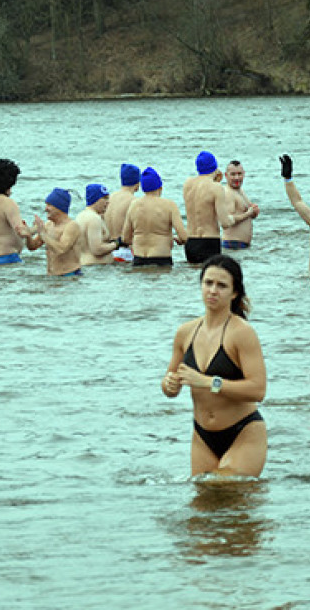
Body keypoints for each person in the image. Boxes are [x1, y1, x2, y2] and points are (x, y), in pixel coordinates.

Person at [162, 254, 266, 477]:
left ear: (234, 292)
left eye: (221, 285)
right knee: (203, 506)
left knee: (222, 488)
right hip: (202, 436)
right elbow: (170, 383)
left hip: (243, 431)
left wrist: (210, 382)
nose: (213, 290)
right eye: (208, 283)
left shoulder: (242, 333)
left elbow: (258, 390)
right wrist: (169, 384)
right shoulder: (185, 332)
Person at [122, 167, 187, 267]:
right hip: (161, 258)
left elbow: (125, 238)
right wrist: (180, 240)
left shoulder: (133, 206)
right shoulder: (169, 205)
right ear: (160, 187)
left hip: (139, 258)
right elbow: (183, 236)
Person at [183, 151, 234, 264]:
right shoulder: (216, 187)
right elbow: (225, 223)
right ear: (215, 167)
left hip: (190, 241)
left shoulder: (188, 184)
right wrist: (234, 218)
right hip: (209, 241)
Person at [30, 188, 83, 277]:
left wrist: (43, 233)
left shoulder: (71, 226)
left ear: (59, 207)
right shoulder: (48, 225)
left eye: (49, 205)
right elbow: (32, 246)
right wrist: (26, 235)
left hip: (70, 276)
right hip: (52, 276)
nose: (46, 209)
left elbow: (61, 249)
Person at [76, 183, 120, 266]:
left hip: (86, 264)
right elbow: (97, 249)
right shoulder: (94, 219)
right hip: (96, 268)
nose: (108, 202)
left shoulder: (81, 215)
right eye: (104, 198)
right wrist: (117, 244)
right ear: (95, 199)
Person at [104, 163, 140, 261]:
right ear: (138, 184)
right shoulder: (134, 201)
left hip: (108, 250)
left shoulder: (108, 198)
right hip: (125, 251)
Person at [221, 160, 260, 249]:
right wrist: (248, 213)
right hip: (232, 244)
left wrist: (254, 212)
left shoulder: (240, 191)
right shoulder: (228, 193)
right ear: (226, 176)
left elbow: (247, 212)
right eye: (233, 174)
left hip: (242, 245)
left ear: (244, 174)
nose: (237, 178)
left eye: (239, 174)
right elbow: (227, 220)